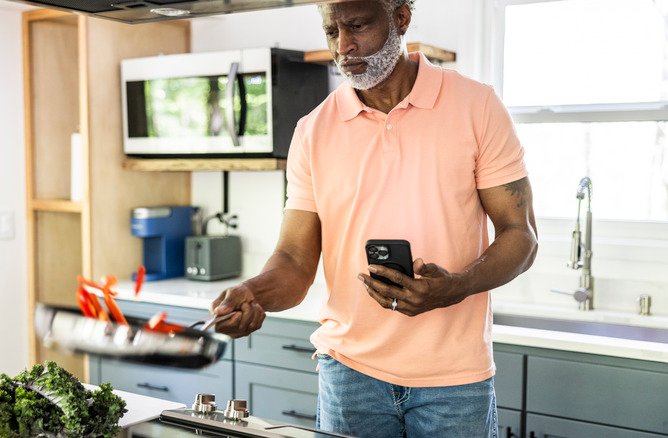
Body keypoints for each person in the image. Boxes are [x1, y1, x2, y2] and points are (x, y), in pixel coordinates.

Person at [210, 0, 538, 436]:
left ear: (401, 17)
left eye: (357, 25)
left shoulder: (476, 105)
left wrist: (455, 287)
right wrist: (252, 294)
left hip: (454, 381)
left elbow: (521, 235)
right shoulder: (313, 131)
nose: (344, 46)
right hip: (349, 374)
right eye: (332, 32)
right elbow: (293, 259)